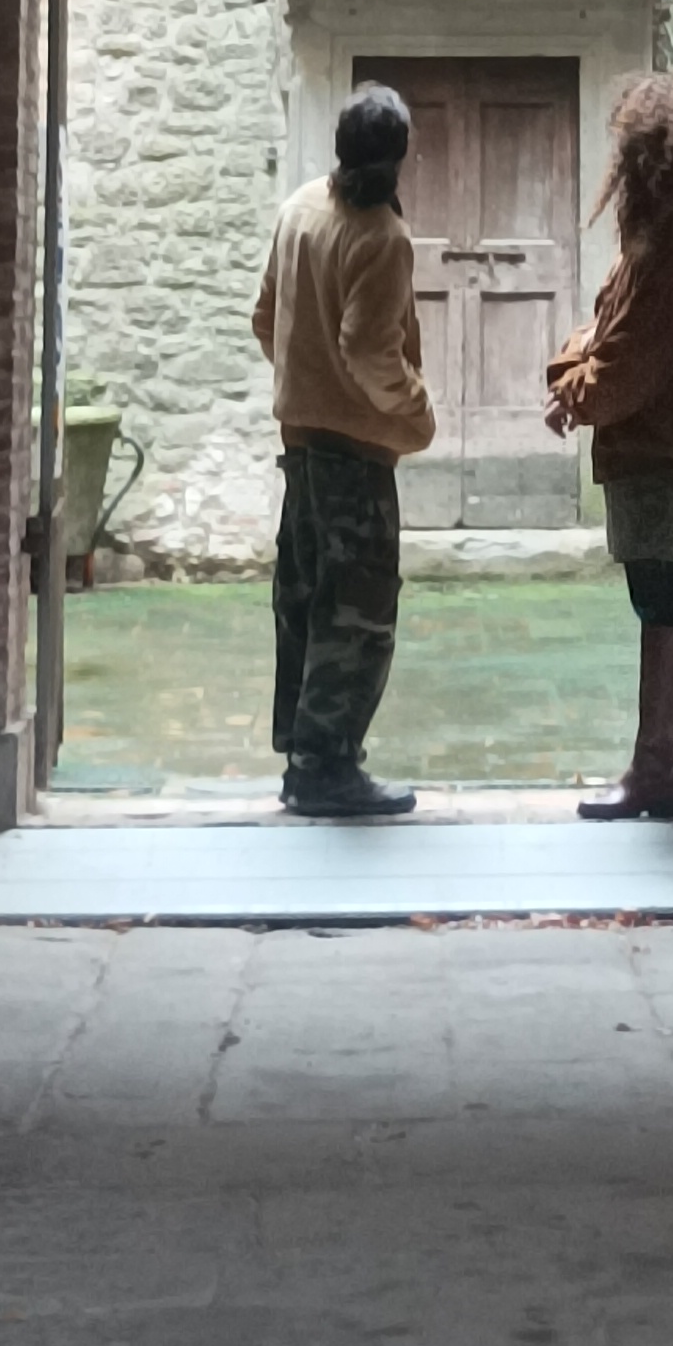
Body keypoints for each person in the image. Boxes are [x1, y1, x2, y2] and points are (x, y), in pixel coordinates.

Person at [545, 73, 673, 820]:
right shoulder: (667, 235)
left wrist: (570, 384)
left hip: (659, 444)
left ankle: (657, 767)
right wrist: (579, 374)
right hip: (665, 440)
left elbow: (625, 360)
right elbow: (609, 331)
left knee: (660, 596)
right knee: (666, 593)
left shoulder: (669, 246)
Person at [252, 83, 435, 817]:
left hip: (300, 449)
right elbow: (369, 349)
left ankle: (303, 759)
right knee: (356, 615)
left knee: (303, 601)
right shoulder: (382, 237)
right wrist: (416, 413)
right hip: (356, 455)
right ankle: (326, 768)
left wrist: (305, 378)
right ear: (400, 155)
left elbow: (265, 316)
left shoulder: (300, 210)